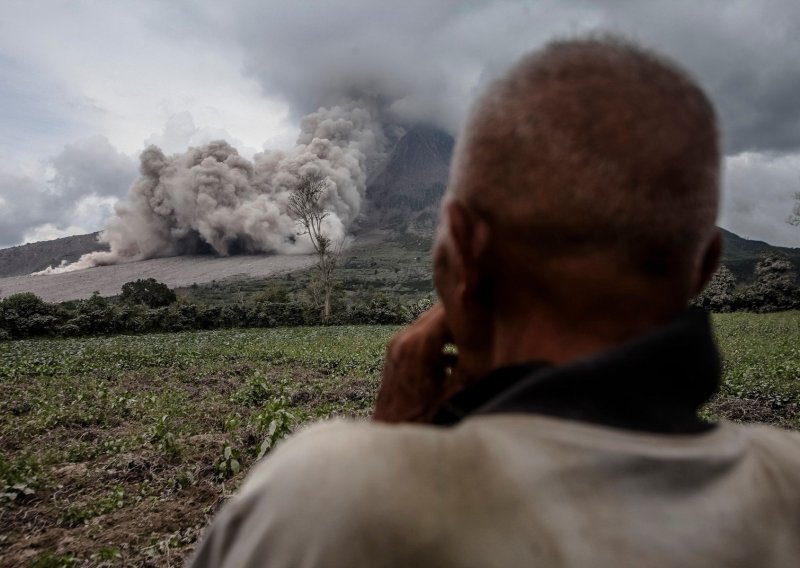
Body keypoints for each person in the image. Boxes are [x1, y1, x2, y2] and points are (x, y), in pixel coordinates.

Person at [190, 36, 800, 567]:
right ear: (705, 267)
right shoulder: (787, 483)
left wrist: (390, 455)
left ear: (461, 250)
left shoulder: (321, 500)